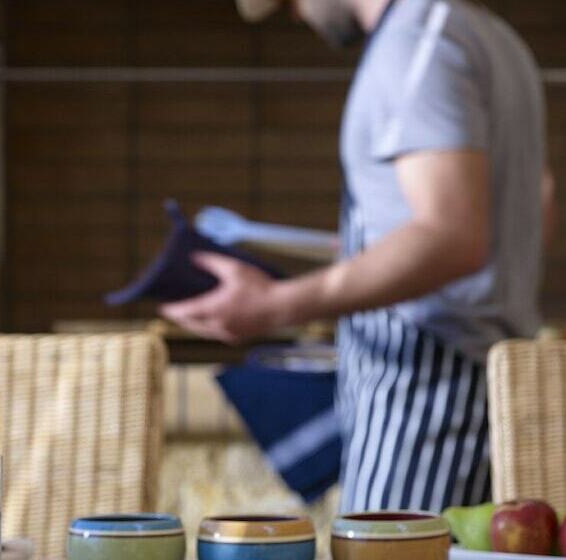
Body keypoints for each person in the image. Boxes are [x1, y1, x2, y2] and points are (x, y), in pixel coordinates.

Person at [161, 0, 556, 512]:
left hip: (427, 396)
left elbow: (452, 235)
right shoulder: (488, 35)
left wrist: (276, 303)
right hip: (479, 382)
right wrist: (378, 252)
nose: (299, 16)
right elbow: (535, 202)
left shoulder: (416, 45)